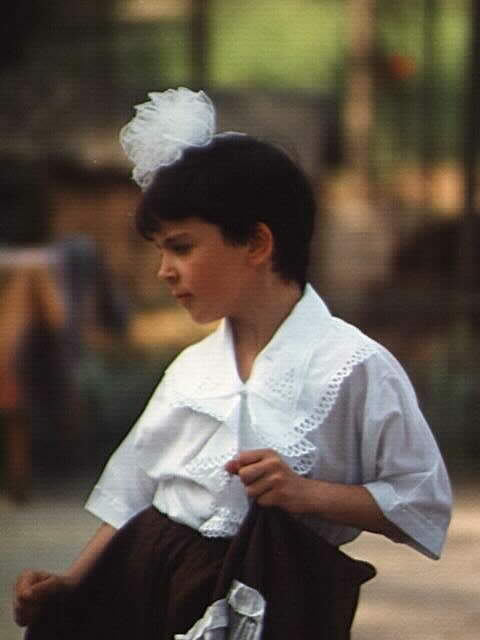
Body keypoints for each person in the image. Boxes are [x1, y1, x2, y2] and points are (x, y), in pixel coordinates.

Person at [14, 88, 452, 639]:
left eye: (182, 247)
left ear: (256, 242)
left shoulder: (354, 365)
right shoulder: (192, 370)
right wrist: (74, 582)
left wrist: (309, 494)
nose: (164, 272)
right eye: (160, 252)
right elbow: (137, 493)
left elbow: (421, 498)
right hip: (152, 583)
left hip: (279, 594)